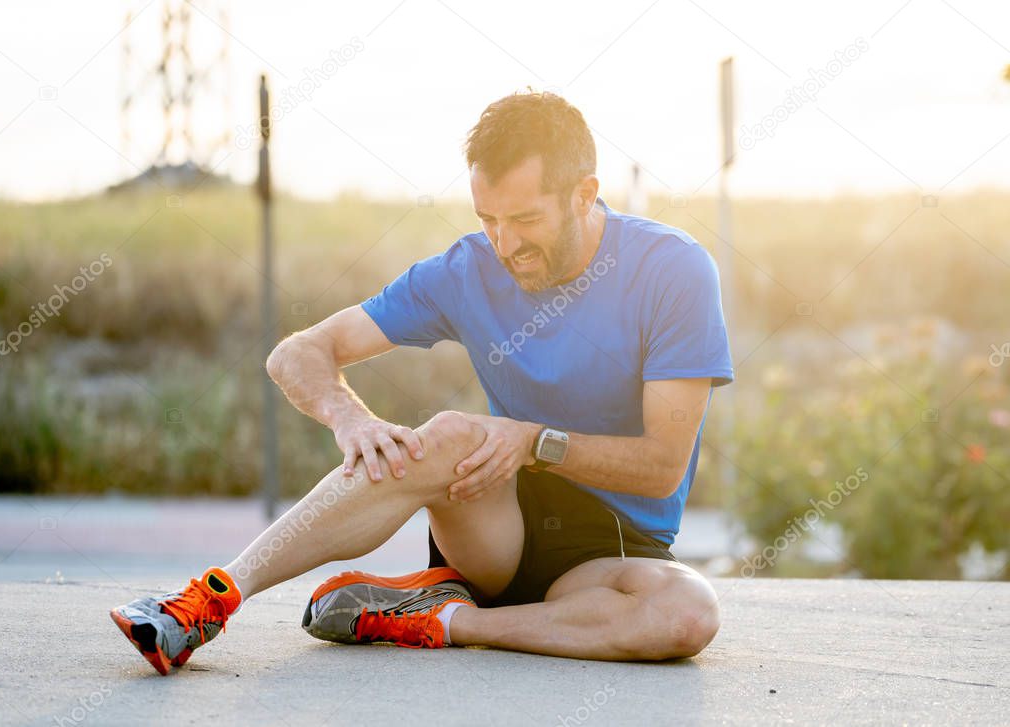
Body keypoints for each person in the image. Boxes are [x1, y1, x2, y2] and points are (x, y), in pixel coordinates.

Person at [110, 91, 734, 675]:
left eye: (524, 218)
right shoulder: (466, 269)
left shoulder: (672, 271)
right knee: (455, 435)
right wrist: (351, 419)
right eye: (488, 218)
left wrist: (534, 441)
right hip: (496, 529)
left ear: (584, 194)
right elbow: (298, 354)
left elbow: (661, 469)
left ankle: (444, 620)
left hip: (614, 555)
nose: (505, 243)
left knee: (687, 615)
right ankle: (205, 603)